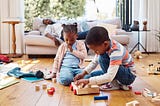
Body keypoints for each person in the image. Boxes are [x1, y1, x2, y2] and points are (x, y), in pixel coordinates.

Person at [74, 26, 136, 90]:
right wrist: (83, 73)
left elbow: (109, 76)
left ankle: (114, 84)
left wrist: (88, 81)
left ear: (105, 44)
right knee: (91, 75)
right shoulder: (105, 46)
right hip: (116, 71)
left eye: (96, 50)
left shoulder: (116, 51)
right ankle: (116, 82)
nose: (95, 53)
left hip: (128, 76)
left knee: (102, 58)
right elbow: (94, 62)